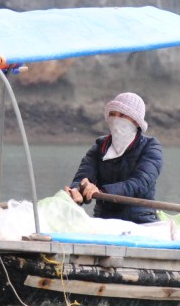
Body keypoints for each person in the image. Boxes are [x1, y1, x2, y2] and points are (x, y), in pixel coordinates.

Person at [64, 92, 162, 223]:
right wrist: (77, 190)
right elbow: (84, 176)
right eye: (112, 114)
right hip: (103, 219)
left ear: (136, 121)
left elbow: (141, 183)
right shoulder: (99, 147)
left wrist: (101, 191)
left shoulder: (150, 146)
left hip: (140, 220)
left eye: (122, 115)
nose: (115, 119)